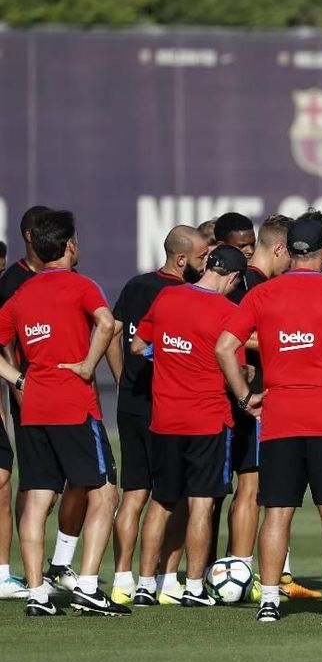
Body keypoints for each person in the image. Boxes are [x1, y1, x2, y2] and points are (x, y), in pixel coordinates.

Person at [216, 214, 322, 623]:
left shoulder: (262, 295)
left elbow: (225, 346)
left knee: (277, 511)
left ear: (291, 249)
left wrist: (244, 398)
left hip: (279, 416)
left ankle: (270, 601)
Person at [0, 210, 126, 616]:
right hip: (74, 406)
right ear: (70, 245)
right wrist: (89, 366)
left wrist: (19, 380)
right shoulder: (81, 286)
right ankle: (88, 586)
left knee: (36, 500)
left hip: (34, 409)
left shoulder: (21, 296)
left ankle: (37, 594)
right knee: (105, 492)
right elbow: (107, 325)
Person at [128, 245, 247, 608]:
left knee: (162, 501)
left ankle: (145, 584)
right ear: (233, 277)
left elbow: (137, 346)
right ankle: (194, 588)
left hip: (164, 419)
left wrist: (166, 356)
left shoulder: (166, 298)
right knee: (200, 505)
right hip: (208, 420)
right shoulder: (229, 311)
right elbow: (236, 371)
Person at [107, 225, 209, 605]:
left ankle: (122, 581)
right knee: (176, 494)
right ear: (182, 260)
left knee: (134, 493)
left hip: (132, 404)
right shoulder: (180, 295)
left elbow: (114, 334)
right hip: (167, 408)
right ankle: (166, 581)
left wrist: (122, 380)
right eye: (201, 258)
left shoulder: (135, 286)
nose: (205, 264)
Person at [222, 214, 320, 600]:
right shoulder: (251, 285)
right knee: (253, 486)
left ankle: (257, 571)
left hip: (256, 396)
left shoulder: (253, 283)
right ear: (280, 248)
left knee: (259, 489)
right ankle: (246, 572)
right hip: (255, 399)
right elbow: (229, 335)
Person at [0, 206, 60, 600]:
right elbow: (5, 340)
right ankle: (14, 572)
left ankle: (23, 570)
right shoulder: (14, 281)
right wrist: (19, 386)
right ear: (27, 236)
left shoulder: (59, 278)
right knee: (29, 484)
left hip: (57, 396)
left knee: (47, 486)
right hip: (29, 395)